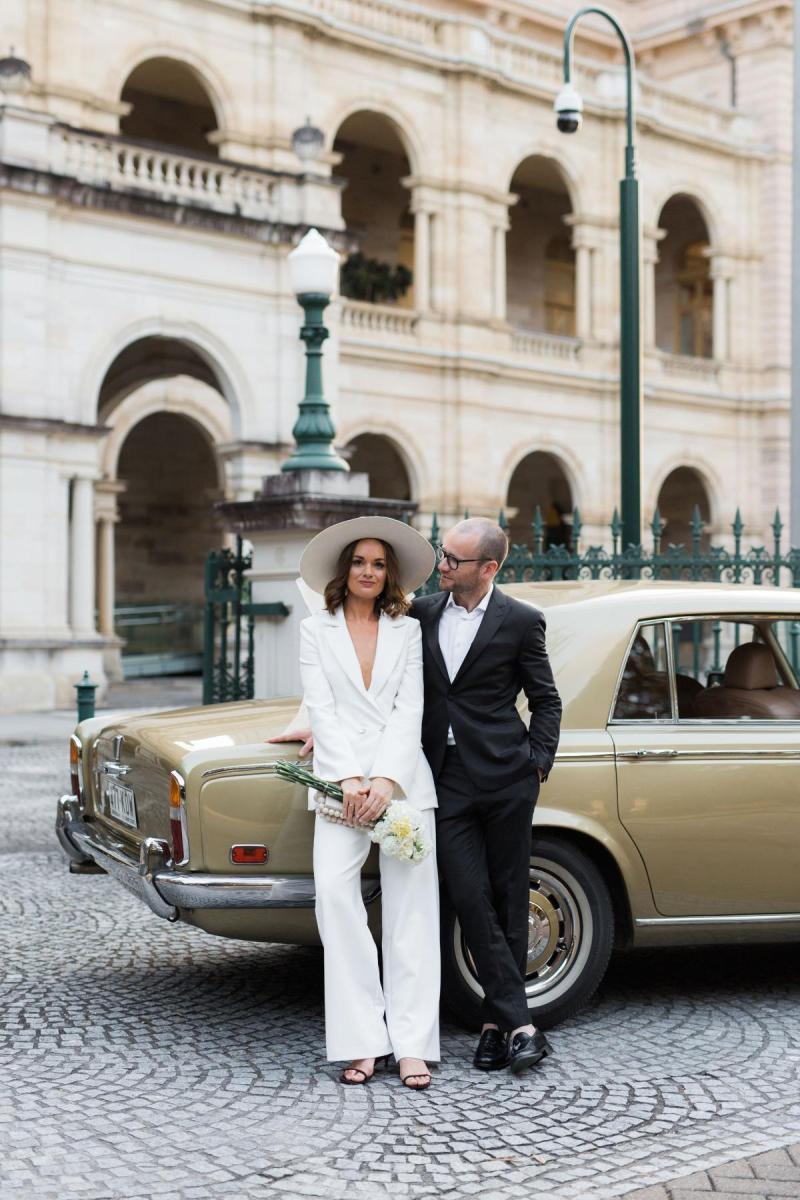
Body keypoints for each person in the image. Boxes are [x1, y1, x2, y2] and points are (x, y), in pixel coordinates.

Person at [293, 515, 440, 1090]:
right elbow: (321, 707)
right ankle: (361, 1041)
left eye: (380, 564)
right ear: (344, 569)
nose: (369, 572)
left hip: (403, 783)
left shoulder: (407, 630)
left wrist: (385, 780)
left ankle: (411, 1045)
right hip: (338, 787)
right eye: (360, 562)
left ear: (390, 574)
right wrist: (351, 779)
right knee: (334, 896)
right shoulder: (315, 630)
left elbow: (411, 708)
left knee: (413, 911)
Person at [410, 517, 562, 1074]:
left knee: (508, 897)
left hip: (505, 778)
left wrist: (537, 764)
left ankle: (497, 1028)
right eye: (441, 554)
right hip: (444, 777)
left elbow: (547, 701)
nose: (441, 564)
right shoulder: (421, 614)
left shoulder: (521, 621)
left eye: (452, 558)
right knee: (469, 896)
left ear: (489, 568)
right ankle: (521, 1022)